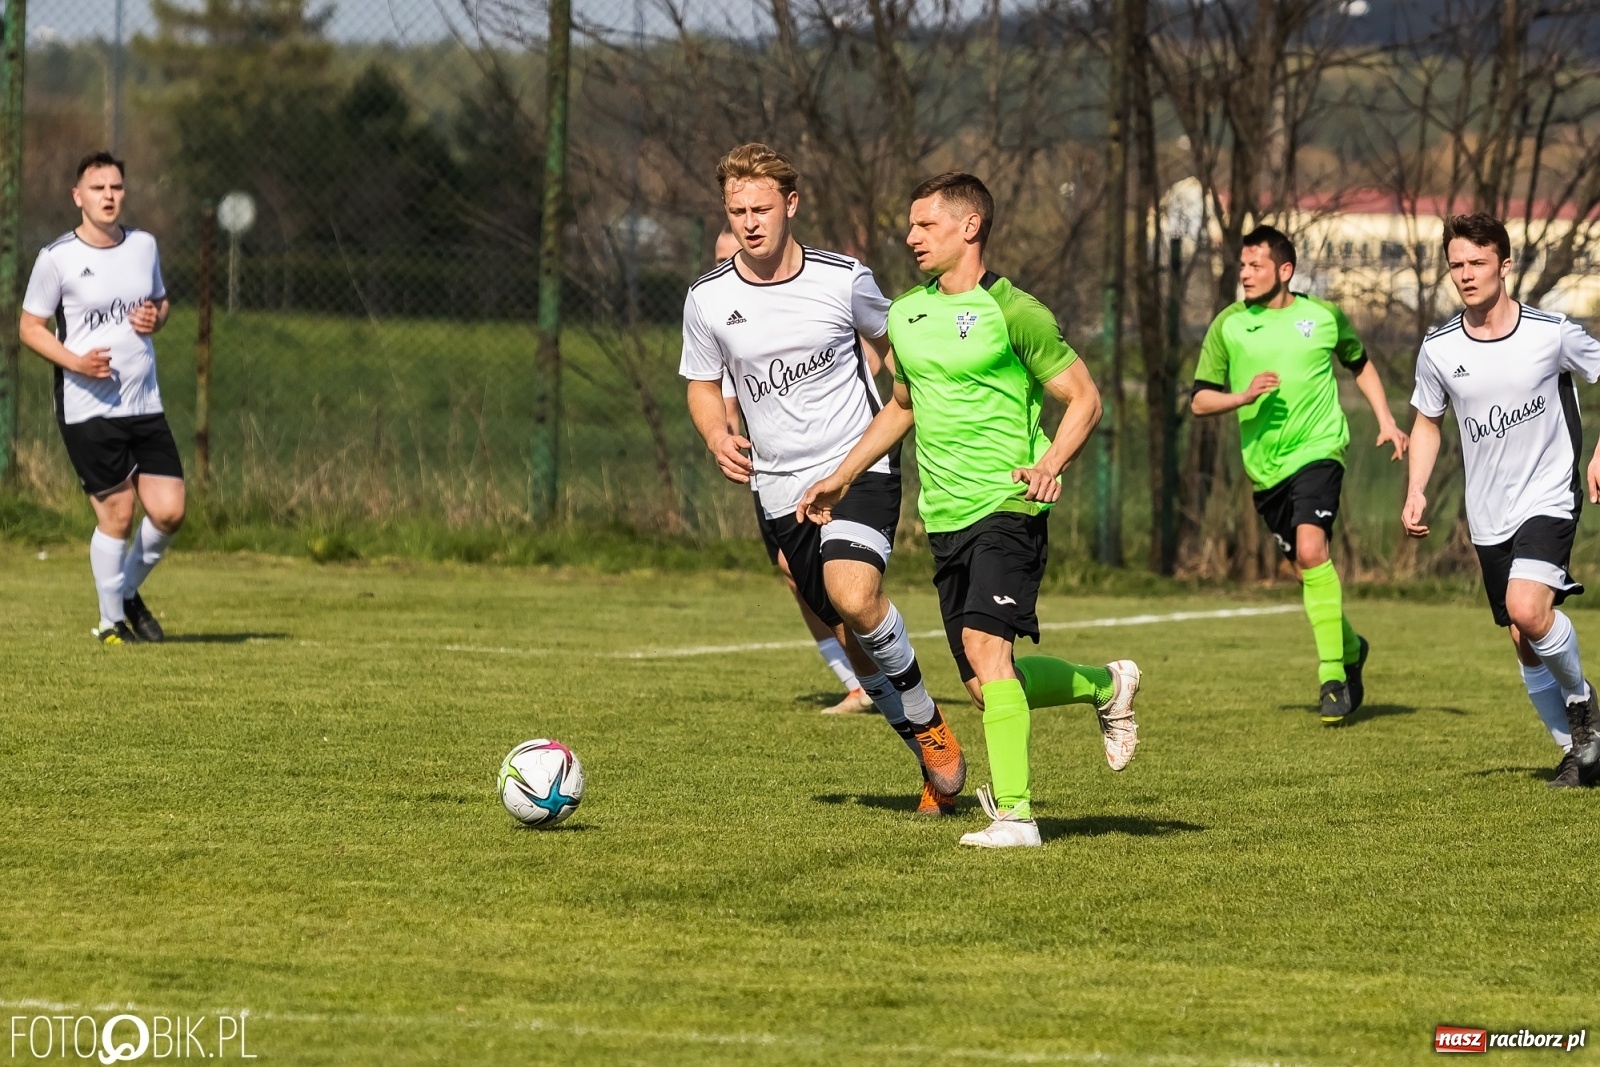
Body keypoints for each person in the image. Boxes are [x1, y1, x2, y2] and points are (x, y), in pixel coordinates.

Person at [799, 172, 1141, 849]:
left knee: (988, 651)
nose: (911, 236)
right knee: (988, 687)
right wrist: (840, 476)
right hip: (946, 515)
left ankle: (1015, 816)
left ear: (969, 227)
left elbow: (1084, 398)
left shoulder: (1017, 312)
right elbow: (903, 406)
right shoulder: (907, 315)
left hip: (1009, 504)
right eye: (911, 225)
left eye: (926, 224)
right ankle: (1107, 684)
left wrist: (1050, 464)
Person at [680, 144, 966, 815]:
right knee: (848, 636)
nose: (749, 222)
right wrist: (717, 434)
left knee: (854, 594)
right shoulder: (709, 297)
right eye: (736, 210)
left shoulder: (844, 279)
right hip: (777, 488)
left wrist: (917, 391)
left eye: (761, 208)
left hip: (855, 464)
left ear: (792, 205)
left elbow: (902, 345)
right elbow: (700, 381)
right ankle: (931, 761)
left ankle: (930, 722)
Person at [1404, 212, 1600, 789]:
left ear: (1505, 265)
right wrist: (1416, 488)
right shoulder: (1439, 348)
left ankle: (1584, 707)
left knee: (1527, 608)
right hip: (1488, 511)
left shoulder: (1551, 332)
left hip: (1550, 492)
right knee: (1523, 636)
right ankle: (1576, 751)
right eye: (1456, 265)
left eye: (1477, 262)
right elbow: (1427, 423)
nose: (1465, 274)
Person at [1190, 226, 1408, 724]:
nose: (1244, 274)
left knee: (1313, 551)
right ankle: (1352, 648)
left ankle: (1332, 676)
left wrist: (1387, 421)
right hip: (1265, 470)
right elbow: (1200, 399)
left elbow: (1362, 364)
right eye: (1242, 266)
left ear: (1284, 271)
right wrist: (1241, 397)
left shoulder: (1323, 316)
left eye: (1255, 266)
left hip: (1321, 449)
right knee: (1306, 569)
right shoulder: (1228, 325)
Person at [20, 151, 181, 645]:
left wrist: (157, 317)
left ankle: (125, 592)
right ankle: (110, 623)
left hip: (143, 402)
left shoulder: (143, 245)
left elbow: (160, 303)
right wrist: (75, 363)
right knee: (118, 514)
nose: (109, 196)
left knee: (170, 511)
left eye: (116, 187)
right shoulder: (57, 258)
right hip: (88, 406)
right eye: (98, 188)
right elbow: (30, 328)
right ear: (78, 197)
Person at [712, 228, 873, 716]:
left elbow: (872, 346)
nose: (730, 263)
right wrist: (725, 437)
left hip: (823, 460)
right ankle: (858, 680)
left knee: (820, 574)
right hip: (768, 472)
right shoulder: (716, 308)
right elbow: (719, 393)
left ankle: (873, 677)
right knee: (795, 576)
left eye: (733, 254)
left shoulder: (808, 295)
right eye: (722, 255)